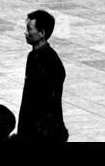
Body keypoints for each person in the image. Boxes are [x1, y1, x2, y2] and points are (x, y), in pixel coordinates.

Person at [17, 9, 68, 142]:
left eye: (30, 29)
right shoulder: (33, 56)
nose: (26, 33)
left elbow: (48, 103)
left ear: (42, 33)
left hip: (43, 134)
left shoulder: (51, 62)